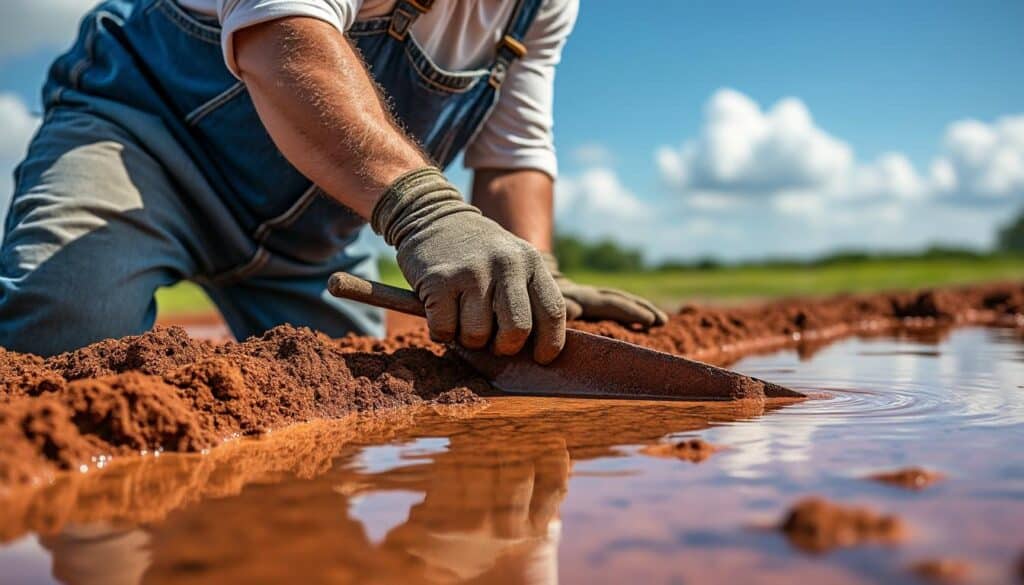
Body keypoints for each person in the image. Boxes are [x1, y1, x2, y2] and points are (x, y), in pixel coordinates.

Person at [0, 0, 666, 359]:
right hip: (143, 139)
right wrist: (428, 213)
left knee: (340, 403)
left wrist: (529, 272)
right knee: (62, 332)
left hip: (310, 242)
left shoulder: (540, 7)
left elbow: (514, 143)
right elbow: (280, 37)